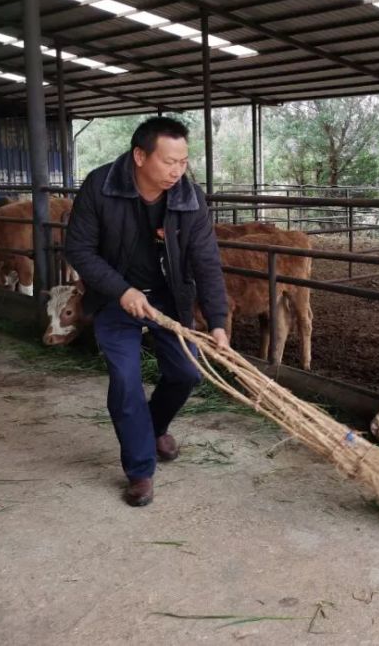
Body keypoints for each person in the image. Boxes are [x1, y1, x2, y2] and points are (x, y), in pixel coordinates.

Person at [65, 116, 229, 507]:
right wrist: (121, 290)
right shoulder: (100, 186)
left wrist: (219, 321)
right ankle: (140, 469)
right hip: (114, 296)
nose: (177, 170)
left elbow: (206, 261)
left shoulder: (189, 197)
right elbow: (79, 250)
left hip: (169, 298)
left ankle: (153, 428)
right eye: (168, 161)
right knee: (125, 381)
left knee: (187, 374)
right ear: (140, 156)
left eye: (183, 161)